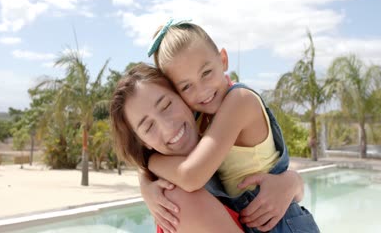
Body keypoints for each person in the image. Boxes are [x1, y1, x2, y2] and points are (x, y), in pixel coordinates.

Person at [143, 19, 319, 233]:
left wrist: (149, 162)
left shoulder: (240, 101)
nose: (202, 91)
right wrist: (146, 186)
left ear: (223, 60)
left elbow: (192, 176)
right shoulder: (200, 117)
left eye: (206, 72)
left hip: (281, 224)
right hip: (252, 220)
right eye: (186, 86)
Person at [111, 64, 305, 233]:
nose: (167, 126)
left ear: (182, 97)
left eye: (167, 105)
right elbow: (190, 176)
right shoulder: (178, 197)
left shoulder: (217, 148)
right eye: (149, 127)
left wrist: (291, 181)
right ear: (143, 141)